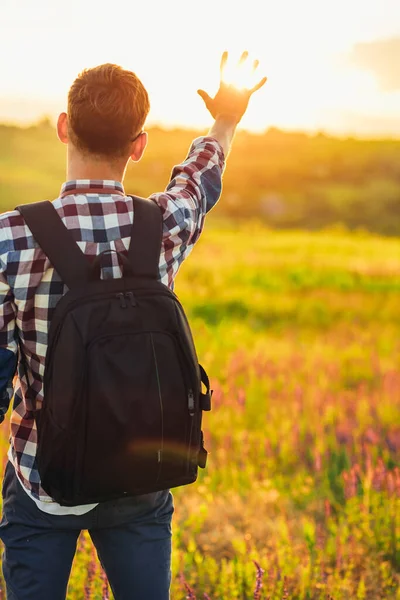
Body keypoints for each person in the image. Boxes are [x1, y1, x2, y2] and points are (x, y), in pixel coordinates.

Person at [0, 52, 266, 600]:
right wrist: (226, 118)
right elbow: (200, 181)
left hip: (41, 478)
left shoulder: (10, 237)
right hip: (140, 477)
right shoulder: (161, 225)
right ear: (138, 144)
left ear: (63, 128)